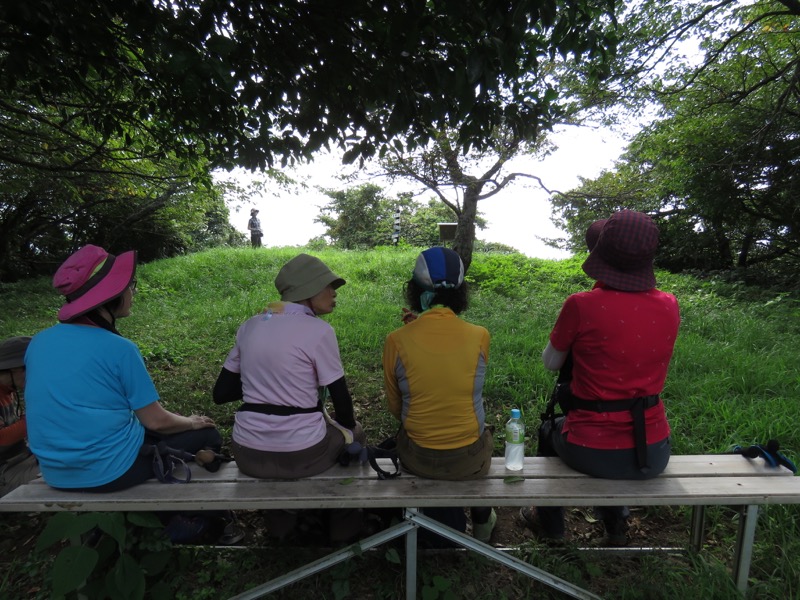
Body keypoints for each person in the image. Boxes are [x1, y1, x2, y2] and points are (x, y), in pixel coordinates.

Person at [24, 245, 237, 542]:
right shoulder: (119, 349)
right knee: (207, 436)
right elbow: (156, 422)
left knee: (161, 439)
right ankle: (188, 523)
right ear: (111, 298)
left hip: (55, 470)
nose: (133, 293)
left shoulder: (39, 343)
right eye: (130, 287)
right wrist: (190, 422)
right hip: (109, 471)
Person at [521, 210, 680, 545]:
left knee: (548, 431)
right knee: (623, 427)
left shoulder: (582, 304)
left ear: (601, 256)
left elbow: (551, 363)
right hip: (653, 449)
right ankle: (616, 524)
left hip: (590, 445)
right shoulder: (669, 304)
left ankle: (550, 524)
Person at [213, 253, 365, 540]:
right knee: (355, 433)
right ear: (306, 292)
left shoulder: (251, 325)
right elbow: (343, 405)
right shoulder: (319, 331)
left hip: (247, 453)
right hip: (302, 454)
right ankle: (345, 530)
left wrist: (264, 380)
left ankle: (281, 529)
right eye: (328, 286)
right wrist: (346, 428)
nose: (334, 293)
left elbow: (221, 393)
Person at [382, 247, 496, 543]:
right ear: (461, 292)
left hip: (417, 456)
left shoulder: (396, 340)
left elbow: (396, 407)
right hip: (468, 460)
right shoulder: (480, 335)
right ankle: (484, 521)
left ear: (414, 290)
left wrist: (414, 331)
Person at [0, 336, 40, 497]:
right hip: (5, 472)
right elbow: (2, 439)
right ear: (16, 369)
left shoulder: (9, 391)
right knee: (69, 473)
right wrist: (39, 415)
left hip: (19, 461)